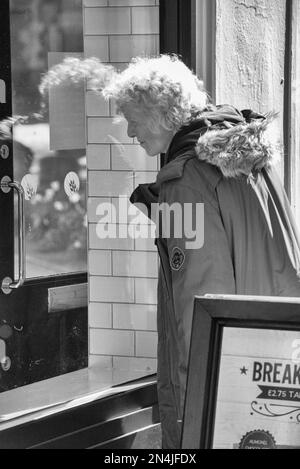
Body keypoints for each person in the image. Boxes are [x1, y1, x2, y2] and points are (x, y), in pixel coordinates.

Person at [103, 54, 300, 449]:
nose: (129, 132)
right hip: (274, 362)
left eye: (133, 119)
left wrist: (193, 419)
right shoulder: (248, 159)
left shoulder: (185, 181)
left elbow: (200, 309)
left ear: (159, 115)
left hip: (227, 389)